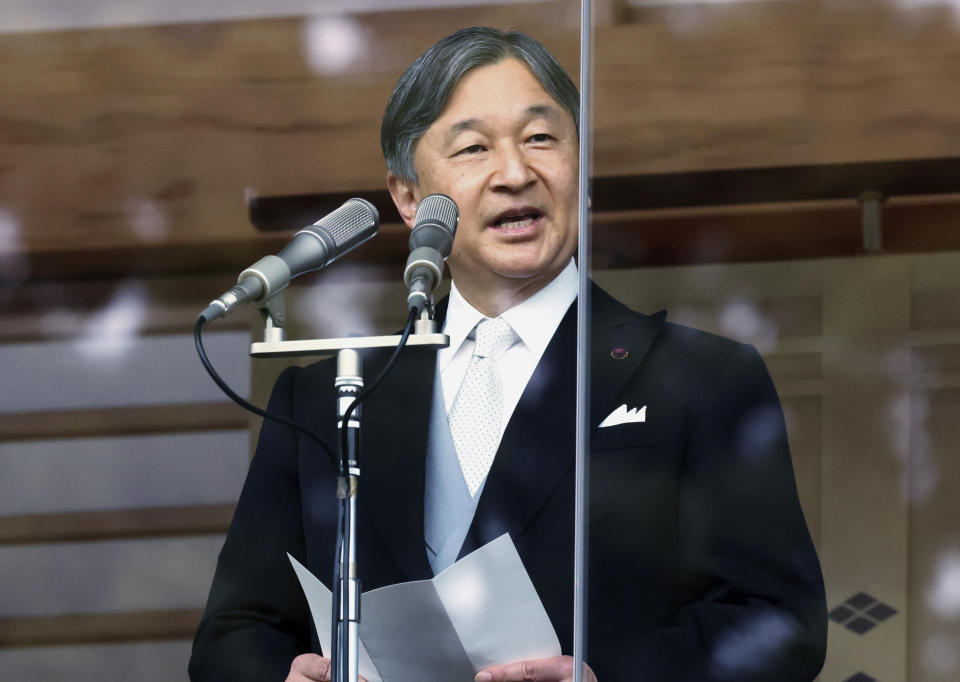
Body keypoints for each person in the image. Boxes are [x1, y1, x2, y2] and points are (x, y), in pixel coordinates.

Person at [189, 27, 827, 682]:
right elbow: (232, 635)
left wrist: (601, 677)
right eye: (473, 148)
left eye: (541, 139)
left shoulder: (700, 379)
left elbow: (779, 622)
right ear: (408, 197)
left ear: (579, 162)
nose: (516, 174)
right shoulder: (329, 398)